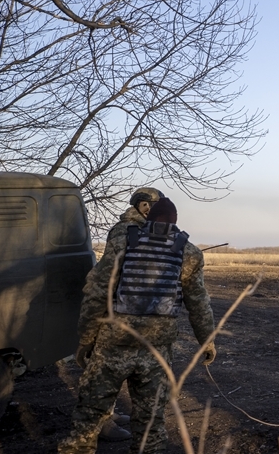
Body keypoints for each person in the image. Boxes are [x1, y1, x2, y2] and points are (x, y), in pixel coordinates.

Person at [58, 191, 217, 454]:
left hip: (112, 345)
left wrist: (86, 338)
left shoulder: (123, 241)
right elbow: (198, 301)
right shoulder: (188, 252)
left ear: (149, 217)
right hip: (156, 352)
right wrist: (207, 340)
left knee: (88, 418)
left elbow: (98, 292)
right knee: (150, 426)